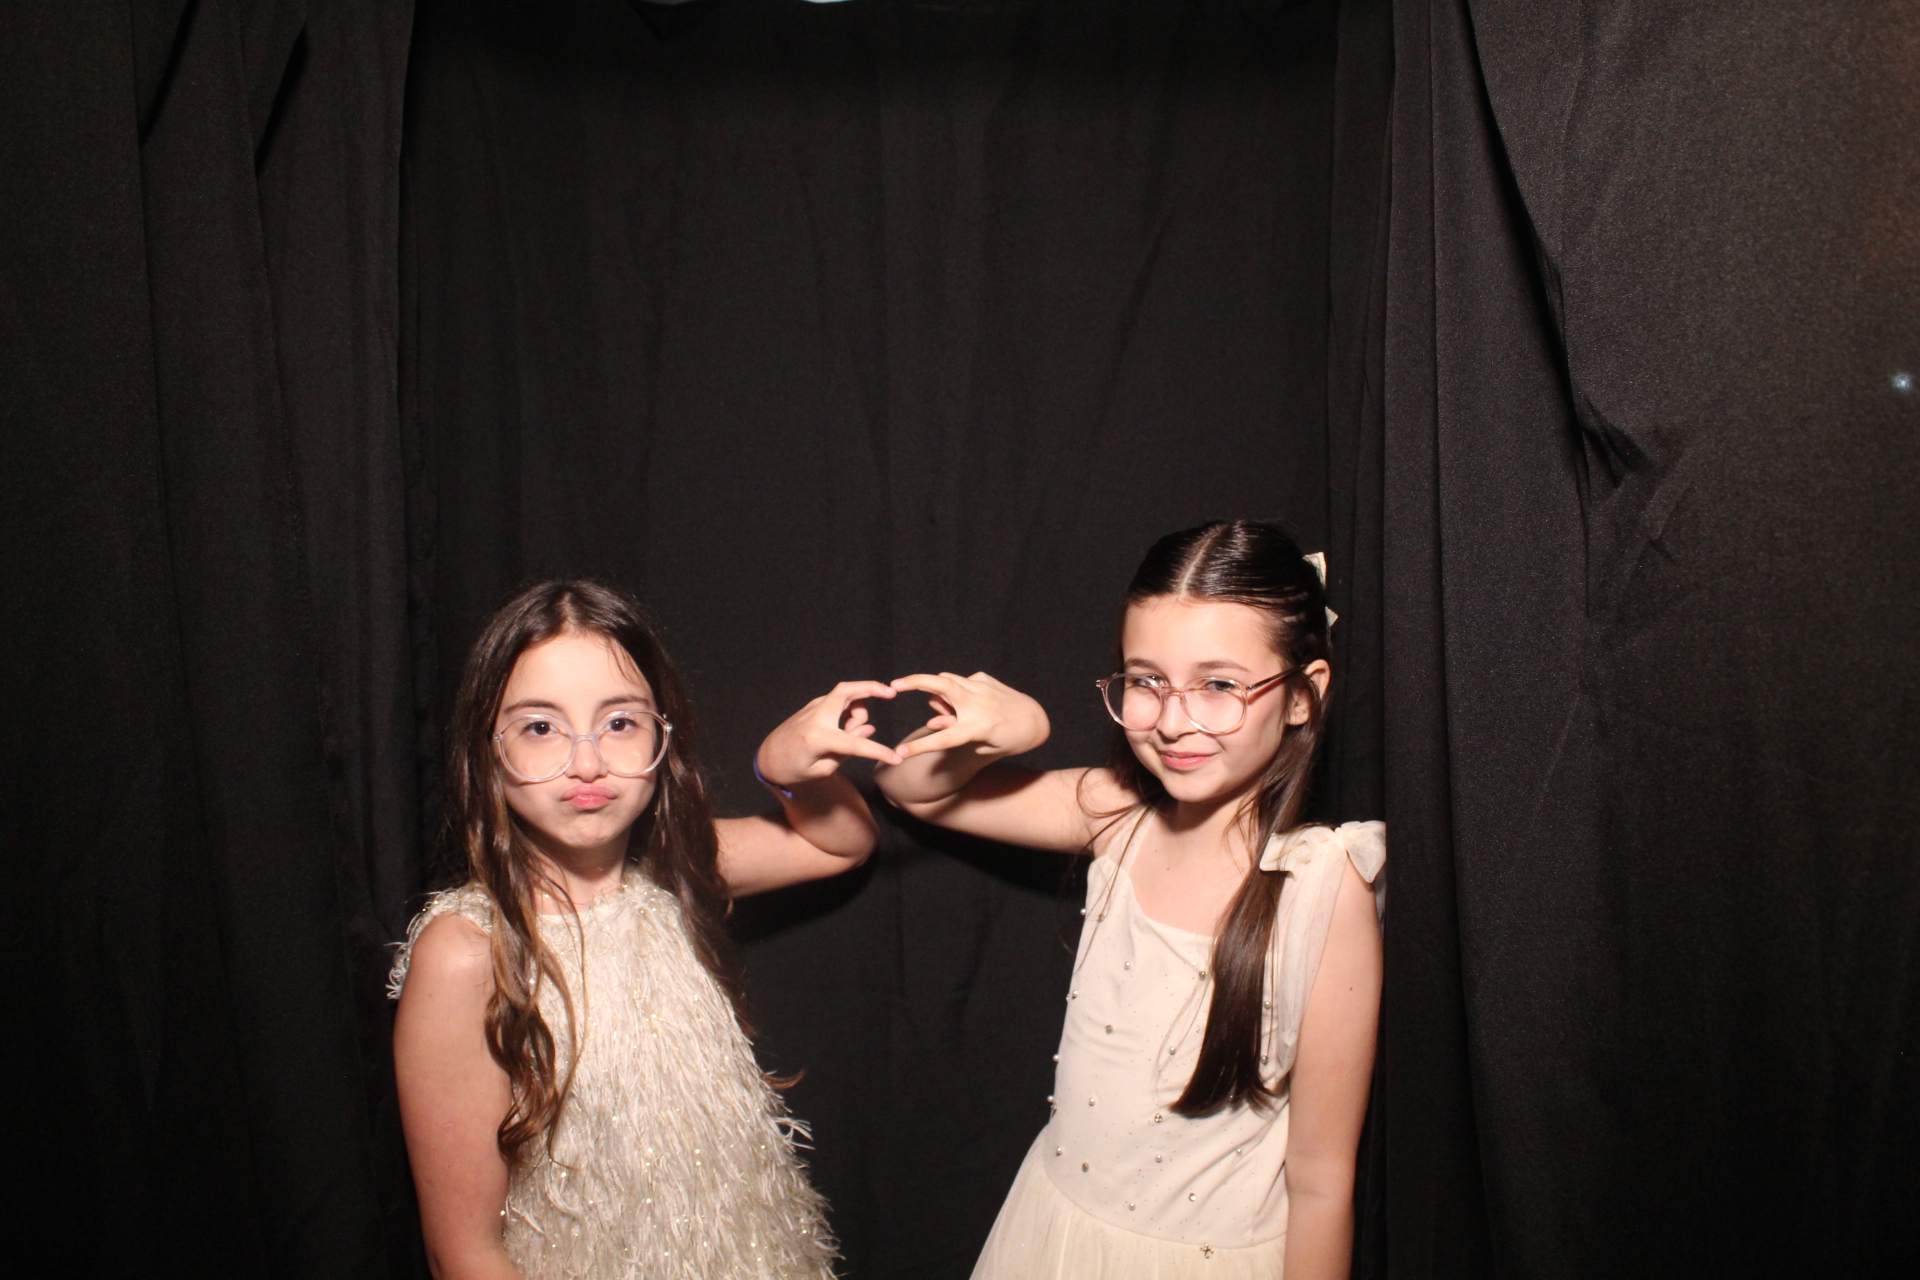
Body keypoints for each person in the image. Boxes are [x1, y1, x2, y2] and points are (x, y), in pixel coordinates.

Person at [876, 520, 1384, 1280]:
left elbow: (1320, 1186)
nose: (1173, 721)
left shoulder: (1322, 888)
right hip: (1052, 1237)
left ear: (1304, 696)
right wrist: (1015, 732)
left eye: (1219, 685)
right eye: (1147, 681)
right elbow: (906, 787)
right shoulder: (1114, 814)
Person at [389, 579, 901, 1280]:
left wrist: (784, 770)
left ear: (663, 736)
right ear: (486, 749)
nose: (588, 762)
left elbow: (840, 844)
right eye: (540, 728)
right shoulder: (467, 952)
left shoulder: (675, 867)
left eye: (620, 723)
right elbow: (463, 1253)